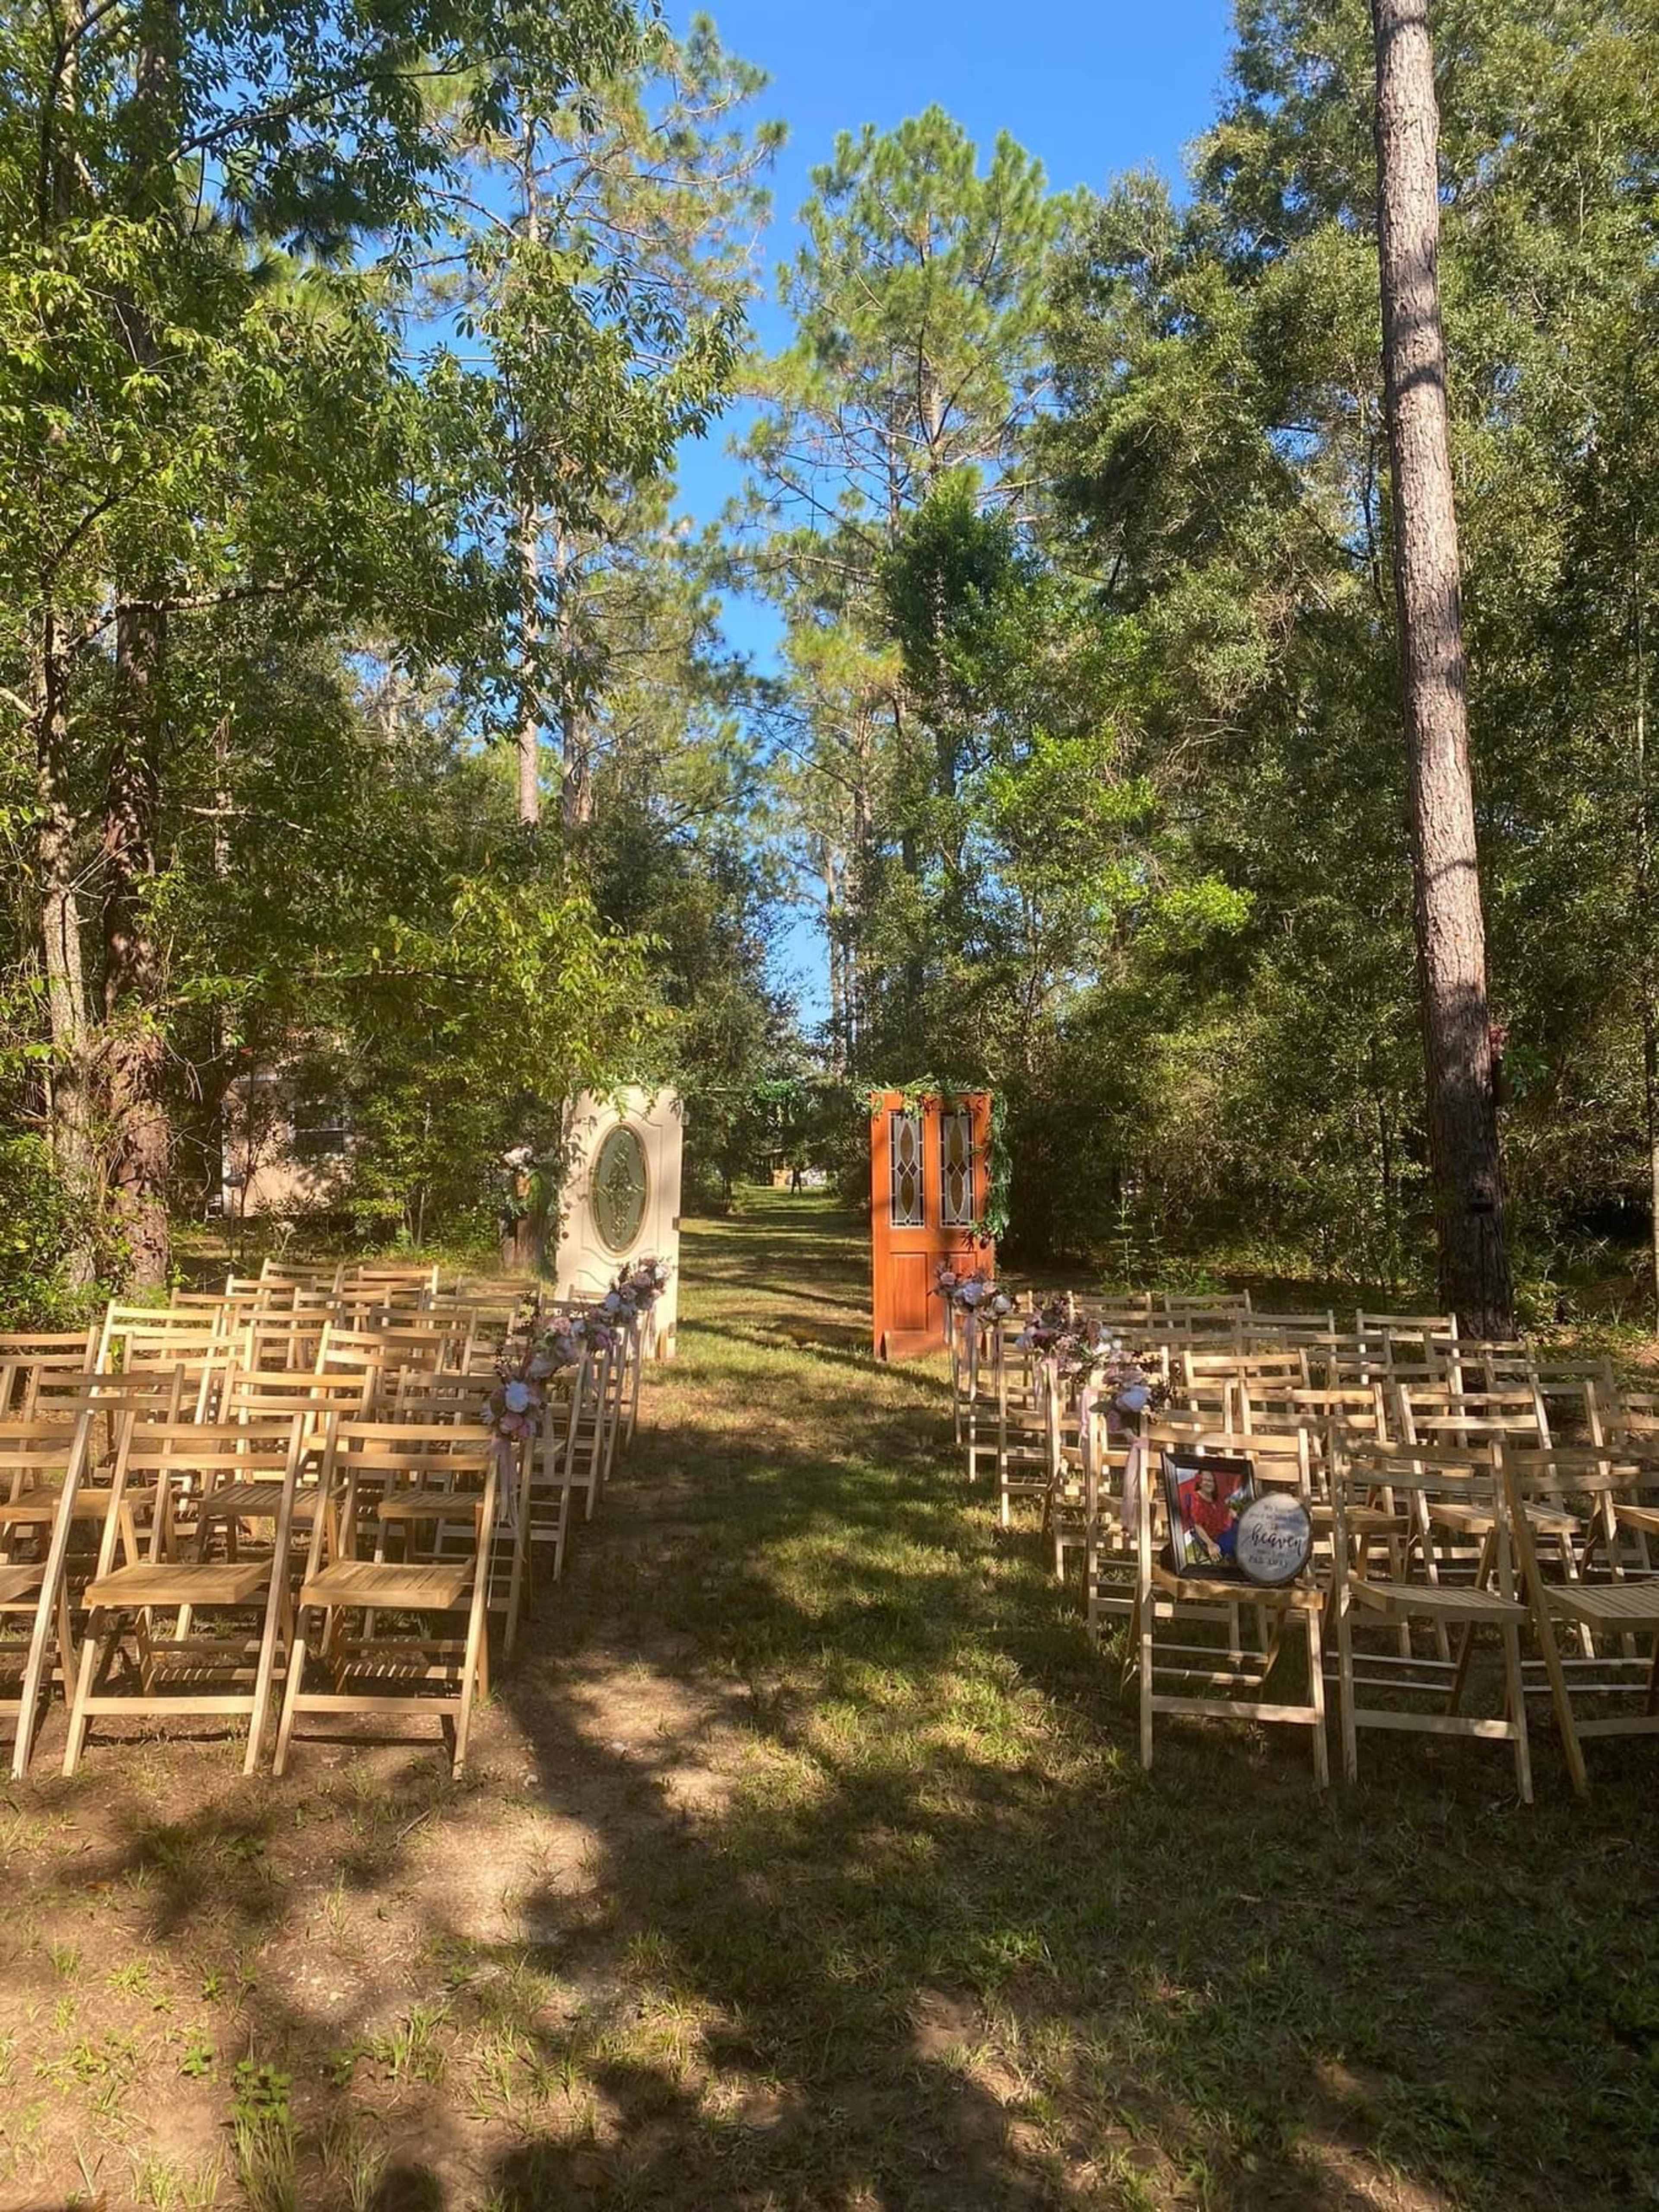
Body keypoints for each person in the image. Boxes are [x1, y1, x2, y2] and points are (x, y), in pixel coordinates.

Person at [1180, 1465, 1242, 1565]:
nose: (1208, 1484)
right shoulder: (1197, 1501)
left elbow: (1225, 1510)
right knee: (1242, 1545)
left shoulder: (1216, 1495)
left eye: (1212, 1481)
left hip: (1230, 1526)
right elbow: (1197, 1526)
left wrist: (1232, 1513)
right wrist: (1211, 1544)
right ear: (1199, 1481)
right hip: (1217, 1537)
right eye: (1205, 1480)